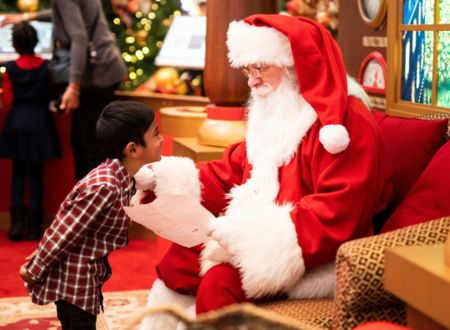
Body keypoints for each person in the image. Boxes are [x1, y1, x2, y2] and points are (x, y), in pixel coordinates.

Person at [135, 14, 393, 328]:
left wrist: (248, 239)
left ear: (296, 66)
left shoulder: (344, 123)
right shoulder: (279, 110)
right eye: (247, 69)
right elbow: (233, 170)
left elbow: (340, 212)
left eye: (260, 67)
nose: (252, 80)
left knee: (220, 282)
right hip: (259, 231)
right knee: (181, 258)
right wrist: (164, 178)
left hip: (314, 255)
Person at [18, 101, 162, 329]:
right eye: (156, 134)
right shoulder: (104, 187)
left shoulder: (123, 176)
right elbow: (63, 231)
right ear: (133, 149)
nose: (161, 140)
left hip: (90, 275)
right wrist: (35, 269)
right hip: (74, 280)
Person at [1, 0, 128, 180]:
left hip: (95, 75)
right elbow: (68, 15)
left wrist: (73, 87)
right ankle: (91, 198)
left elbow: (79, 37)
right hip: (104, 69)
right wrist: (28, 16)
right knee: (84, 141)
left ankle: (93, 200)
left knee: (88, 144)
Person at [0, 22, 61, 241]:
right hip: (40, 122)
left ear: (15, 44)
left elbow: (7, 101)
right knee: (36, 174)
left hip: (16, 123)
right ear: (35, 41)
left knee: (18, 173)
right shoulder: (46, 67)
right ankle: (35, 228)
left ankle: (16, 226)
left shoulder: (10, 69)